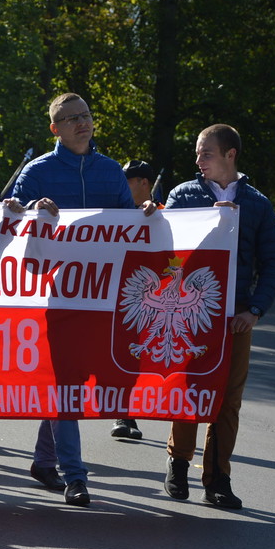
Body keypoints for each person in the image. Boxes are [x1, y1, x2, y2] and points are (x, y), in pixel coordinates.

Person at [11, 92, 154, 507]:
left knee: (72, 386)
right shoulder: (37, 172)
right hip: (55, 297)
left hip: (104, 297)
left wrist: (145, 215)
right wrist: (29, 211)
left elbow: (130, 233)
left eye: (86, 116)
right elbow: (13, 221)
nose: (81, 123)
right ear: (55, 128)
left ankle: (43, 459)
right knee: (67, 384)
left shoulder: (112, 172)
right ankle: (76, 476)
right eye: (71, 118)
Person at [162, 123, 275, 510]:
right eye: (198, 154)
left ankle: (218, 478)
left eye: (206, 153)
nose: (198, 161)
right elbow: (163, 250)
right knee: (187, 390)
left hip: (235, 319)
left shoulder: (258, 204)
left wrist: (255, 309)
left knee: (228, 400)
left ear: (230, 154)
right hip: (191, 317)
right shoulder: (184, 195)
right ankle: (178, 465)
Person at [109, 159, 165, 441]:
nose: (121, 186)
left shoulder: (165, 213)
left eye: (127, 181)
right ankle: (122, 413)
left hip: (150, 296)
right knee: (121, 351)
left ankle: (128, 411)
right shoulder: (116, 212)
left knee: (138, 354)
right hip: (115, 293)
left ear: (144, 183)